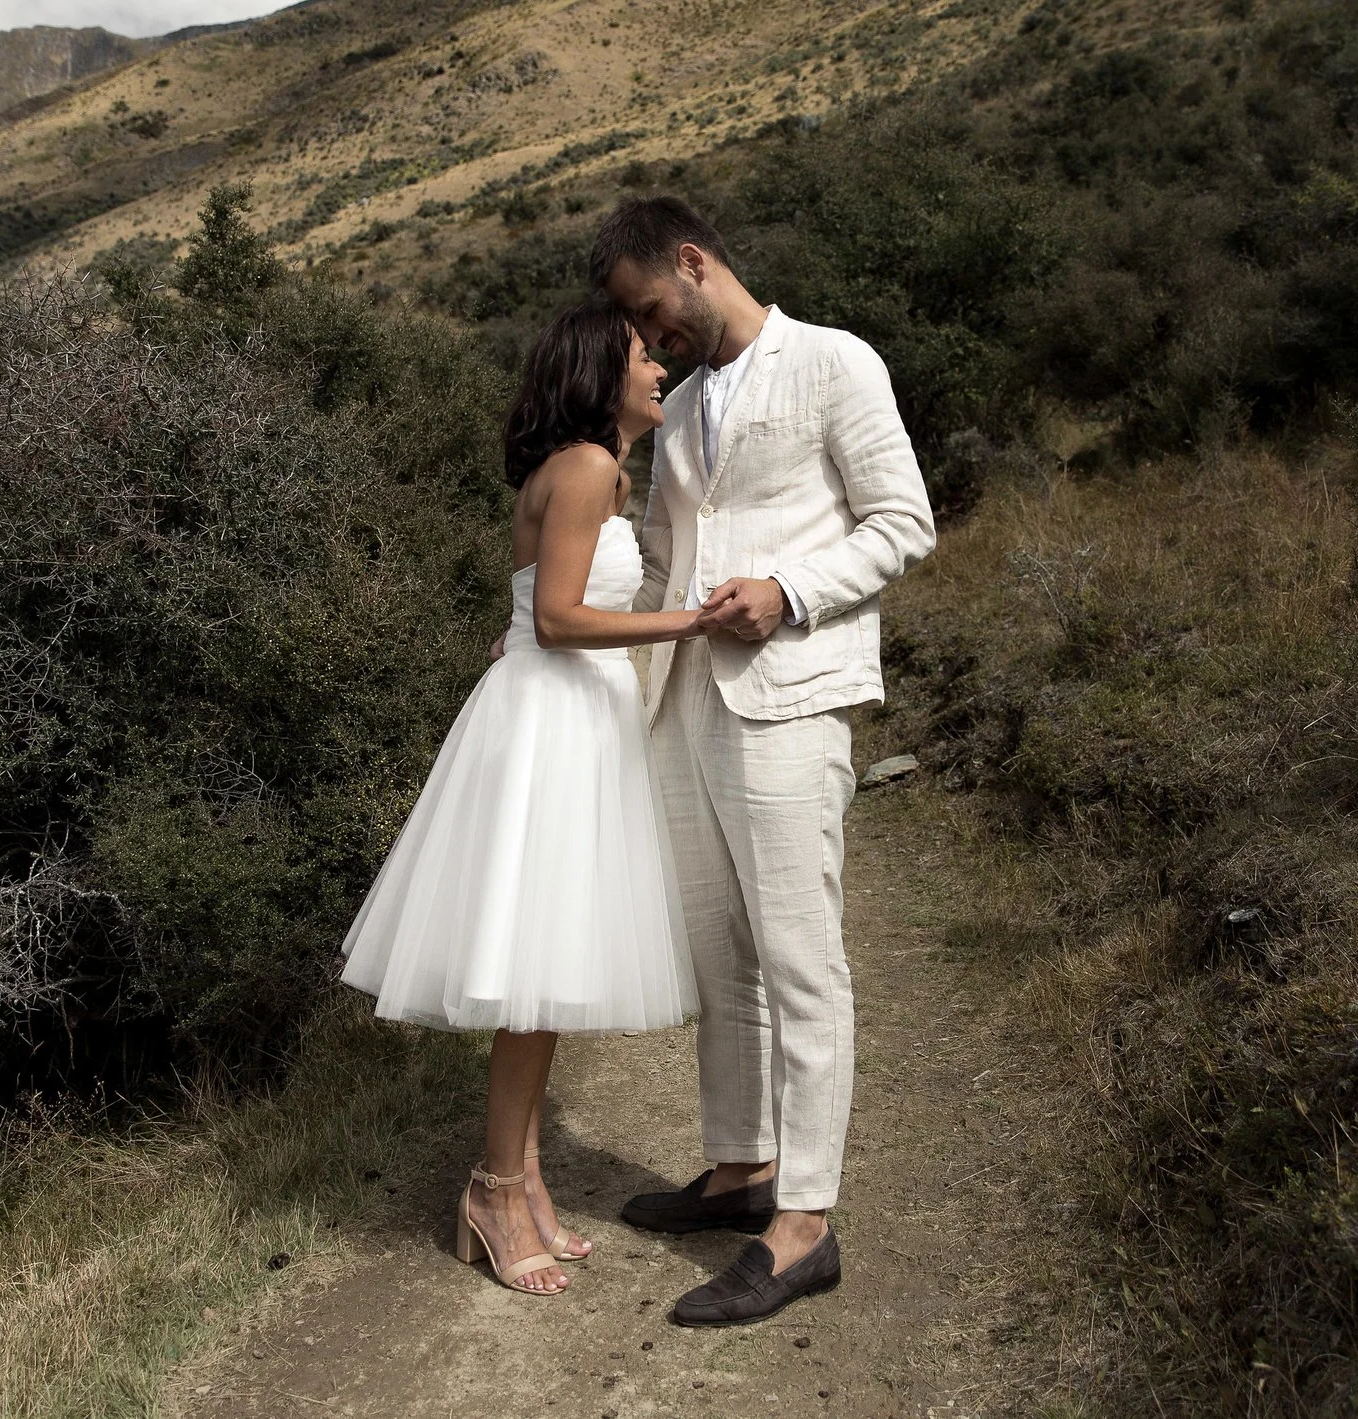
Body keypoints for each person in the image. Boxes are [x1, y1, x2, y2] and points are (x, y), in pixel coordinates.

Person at [594, 198, 937, 1326]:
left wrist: (789, 592)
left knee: (799, 961)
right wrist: (577, 650)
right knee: (719, 956)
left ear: (694, 263)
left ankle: (804, 1226)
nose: (649, 343)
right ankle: (741, 1168)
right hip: (686, 707)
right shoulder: (682, 407)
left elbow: (901, 523)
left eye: (653, 311)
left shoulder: (835, 362)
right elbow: (656, 561)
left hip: (792, 698)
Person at [337, 301, 713, 1297]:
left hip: (563, 715)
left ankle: (524, 1181)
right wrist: (691, 624)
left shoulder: (590, 470)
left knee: (542, 979)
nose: (658, 371)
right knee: (532, 977)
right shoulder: (589, 468)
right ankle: (497, 1189)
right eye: (643, 357)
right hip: (554, 722)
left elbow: (534, 609)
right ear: (599, 373)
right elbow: (553, 618)